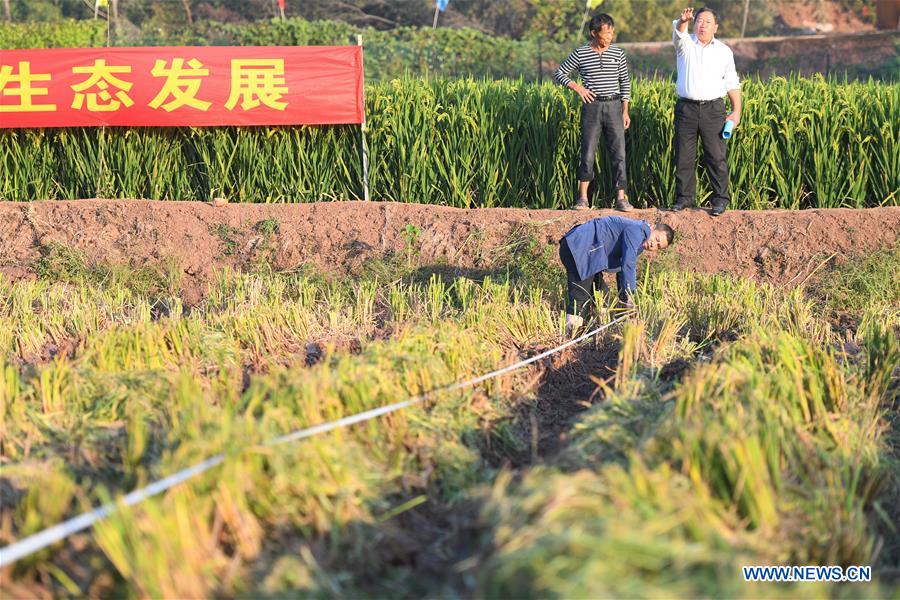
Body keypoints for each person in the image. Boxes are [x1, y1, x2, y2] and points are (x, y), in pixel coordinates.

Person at [554, 13, 633, 213]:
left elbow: (625, 83)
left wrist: (625, 111)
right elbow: (559, 73)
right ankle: (582, 198)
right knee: (588, 152)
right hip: (592, 107)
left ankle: (621, 198)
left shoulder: (618, 54)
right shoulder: (581, 53)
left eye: (612, 32)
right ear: (594, 33)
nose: (610, 36)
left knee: (619, 153)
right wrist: (578, 89)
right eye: (607, 32)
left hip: (614, 106)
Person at [671, 7, 741, 216]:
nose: (702, 25)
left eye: (707, 22)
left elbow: (731, 82)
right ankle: (684, 199)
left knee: (716, 156)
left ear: (716, 27)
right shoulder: (685, 44)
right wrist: (683, 21)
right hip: (687, 108)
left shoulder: (723, 51)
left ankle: (720, 200)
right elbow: (679, 33)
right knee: (684, 155)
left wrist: (736, 111)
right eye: (699, 21)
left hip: (713, 109)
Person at [559, 216, 674, 332]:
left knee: (603, 297)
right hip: (579, 248)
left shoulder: (639, 244)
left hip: (591, 257)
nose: (653, 245)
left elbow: (622, 269)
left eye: (658, 246)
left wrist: (625, 299)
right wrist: (630, 296)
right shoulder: (638, 230)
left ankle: (599, 335)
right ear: (653, 228)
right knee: (580, 298)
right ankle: (570, 338)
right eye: (657, 239)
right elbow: (628, 263)